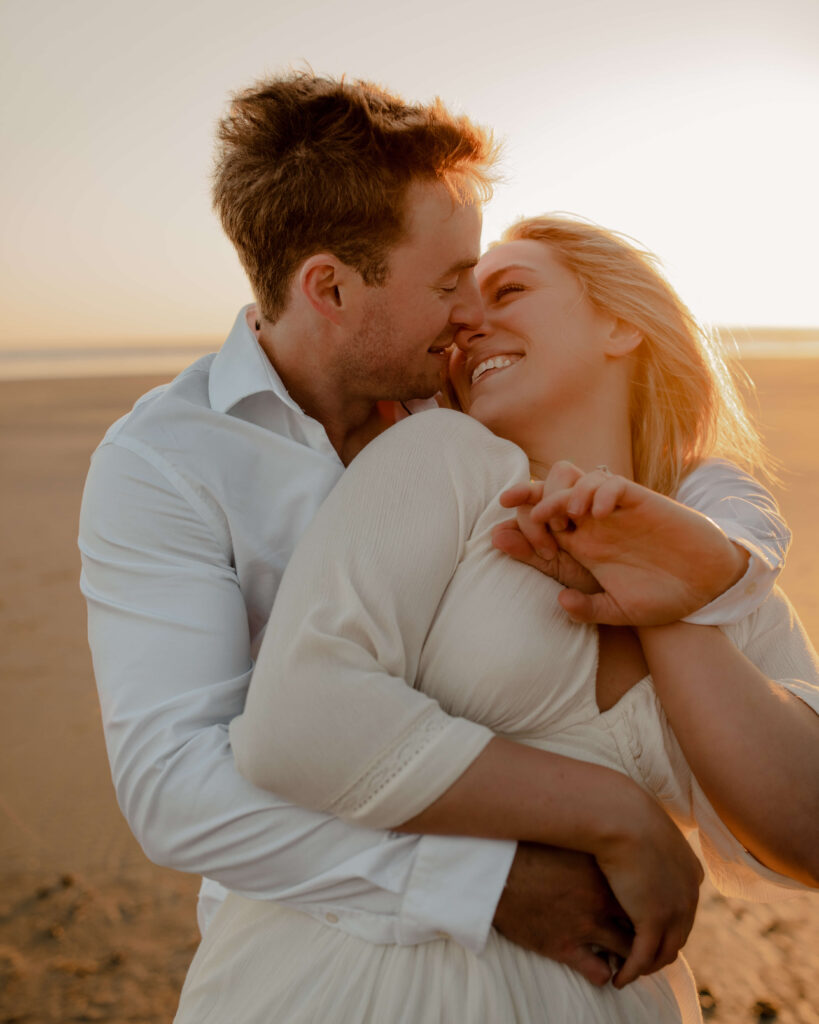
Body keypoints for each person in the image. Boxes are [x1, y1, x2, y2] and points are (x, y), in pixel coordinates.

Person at [79, 74, 730, 991]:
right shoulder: (166, 462)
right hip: (318, 951)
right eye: (450, 281)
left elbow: (648, 468)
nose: (473, 315)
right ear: (330, 287)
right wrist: (485, 878)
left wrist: (732, 541)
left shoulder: (471, 399)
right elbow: (176, 790)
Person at [173, 215, 819, 1022]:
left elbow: (806, 833)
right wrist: (616, 817)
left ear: (621, 323)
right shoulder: (444, 460)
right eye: (455, 310)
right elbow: (294, 723)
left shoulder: (725, 576)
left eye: (508, 289)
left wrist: (666, 604)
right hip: (356, 991)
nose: (467, 321)